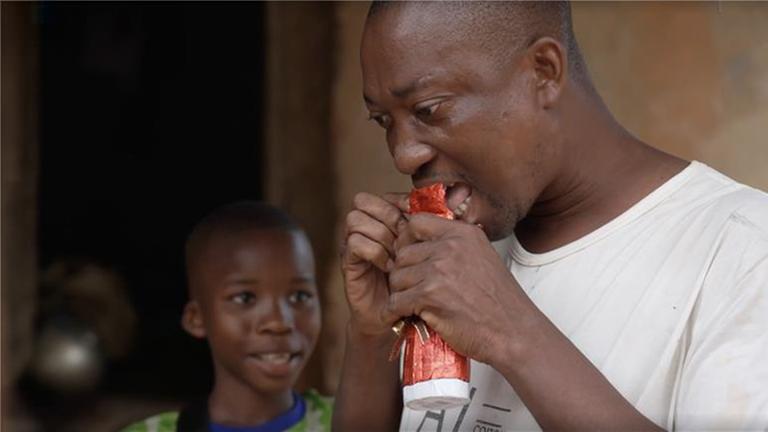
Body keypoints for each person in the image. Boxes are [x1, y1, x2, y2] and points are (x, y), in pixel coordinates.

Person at [332, 1, 768, 431]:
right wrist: (372, 334)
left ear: (543, 70)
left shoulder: (743, 250)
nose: (403, 155)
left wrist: (511, 332)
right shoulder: (445, 253)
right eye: (383, 120)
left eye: (429, 109)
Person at [122, 201, 332, 432]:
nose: (279, 322)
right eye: (245, 298)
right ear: (197, 318)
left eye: (300, 296)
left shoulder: (353, 419)